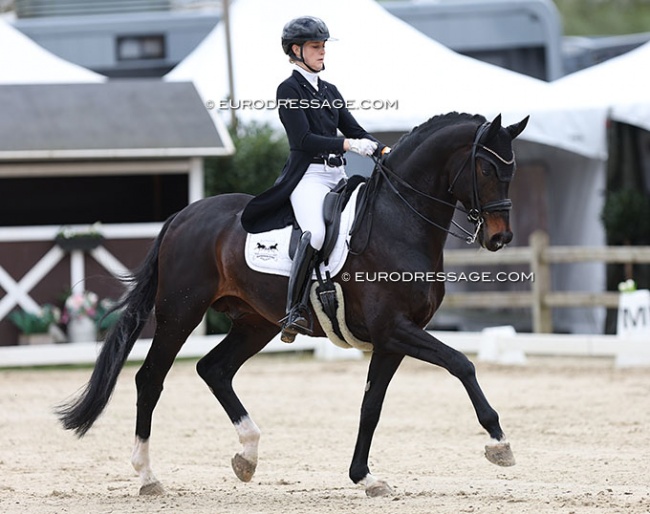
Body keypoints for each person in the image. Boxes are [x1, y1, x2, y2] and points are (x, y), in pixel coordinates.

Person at [241, 16, 390, 343]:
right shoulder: (288, 90)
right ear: (296, 50)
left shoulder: (330, 90)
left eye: (323, 46)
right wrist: (348, 145)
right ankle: (294, 310)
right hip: (308, 177)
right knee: (318, 234)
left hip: (338, 174)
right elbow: (304, 140)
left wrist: (385, 152)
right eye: (315, 47)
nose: (322, 52)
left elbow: (355, 130)